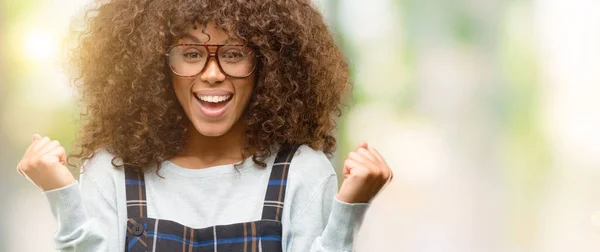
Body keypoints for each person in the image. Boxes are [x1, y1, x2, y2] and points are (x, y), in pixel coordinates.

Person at [16, 0, 393, 251]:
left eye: (233, 54)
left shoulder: (301, 173)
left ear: (269, 64)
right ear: (155, 65)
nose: (212, 74)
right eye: (192, 53)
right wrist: (62, 193)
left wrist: (351, 208)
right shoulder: (113, 173)